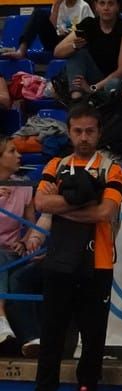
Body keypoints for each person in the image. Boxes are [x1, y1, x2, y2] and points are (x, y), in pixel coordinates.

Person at [11, 104, 122, 391]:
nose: (84, 137)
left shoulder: (110, 169)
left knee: (92, 340)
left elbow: (105, 212)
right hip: (60, 261)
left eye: (90, 131)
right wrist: (81, 200)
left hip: (98, 262)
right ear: (70, 132)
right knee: (51, 336)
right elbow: (40, 202)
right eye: (78, 131)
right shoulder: (55, 164)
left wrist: (64, 207)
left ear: (99, 132)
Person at [0, 135, 43, 348]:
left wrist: (25, 242)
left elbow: (32, 226)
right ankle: (2, 320)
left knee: (18, 275)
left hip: (13, 253)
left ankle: (29, 339)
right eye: (11, 151)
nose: (19, 155)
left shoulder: (25, 187)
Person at [53, 0, 122, 102]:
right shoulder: (89, 24)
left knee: (113, 85)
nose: (106, 8)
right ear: (96, 7)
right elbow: (57, 52)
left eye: (110, 3)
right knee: (77, 52)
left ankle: (93, 100)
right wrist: (75, 45)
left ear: (117, 7)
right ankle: (76, 98)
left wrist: (93, 88)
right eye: (102, 3)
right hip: (94, 76)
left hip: (117, 80)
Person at [2, 0, 93, 63]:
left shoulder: (83, 6)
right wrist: (57, 5)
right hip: (56, 41)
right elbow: (52, 28)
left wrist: (70, 35)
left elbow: (89, 30)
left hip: (73, 44)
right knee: (39, 13)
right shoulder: (58, 5)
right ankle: (21, 50)